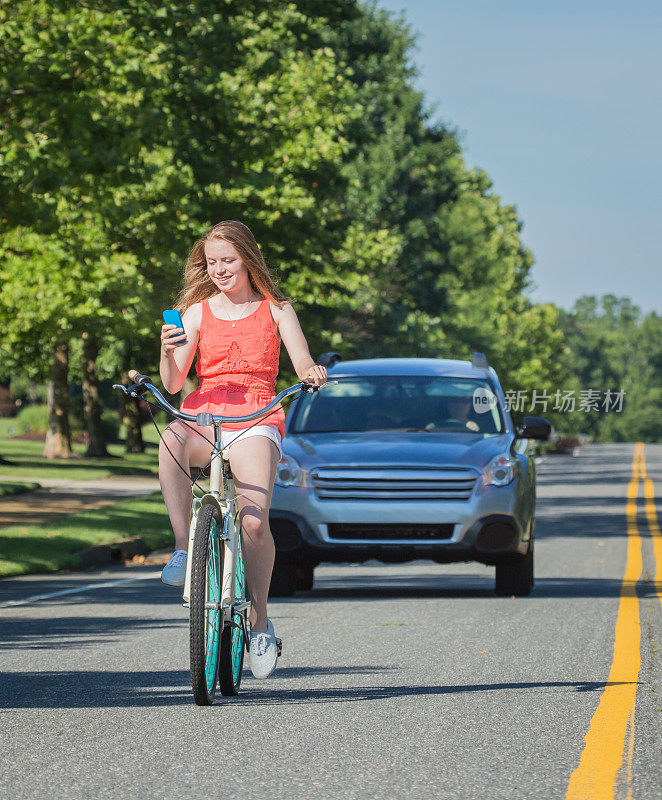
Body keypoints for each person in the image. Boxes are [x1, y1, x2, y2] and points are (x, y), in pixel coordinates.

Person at [158, 220, 327, 679]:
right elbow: (174, 384)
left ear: (248, 258)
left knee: (253, 521)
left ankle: (258, 620)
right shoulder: (194, 312)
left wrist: (311, 372)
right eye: (211, 262)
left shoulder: (276, 309)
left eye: (227, 260)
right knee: (170, 438)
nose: (219, 270)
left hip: (256, 416)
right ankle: (180, 547)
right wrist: (166, 350)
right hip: (205, 412)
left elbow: (303, 360)